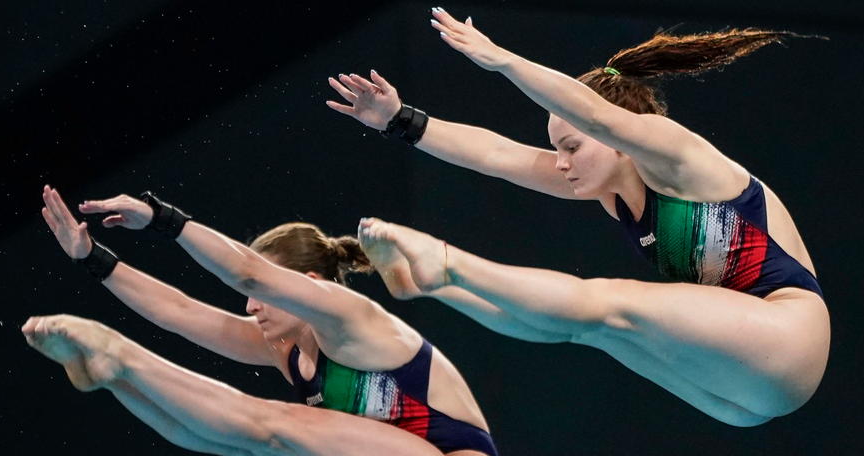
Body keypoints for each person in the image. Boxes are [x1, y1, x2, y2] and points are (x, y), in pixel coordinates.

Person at [327, 8, 829, 427]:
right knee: (590, 329)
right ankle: (434, 285)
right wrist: (399, 120)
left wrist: (503, 60)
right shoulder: (609, 187)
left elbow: (595, 115)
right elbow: (497, 156)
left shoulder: (679, 158)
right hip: (739, 397)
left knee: (611, 302)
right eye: (556, 149)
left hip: (786, 334)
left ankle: (448, 263)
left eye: (570, 147)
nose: (560, 162)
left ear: (618, 140)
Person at [23, 185, 503, 456]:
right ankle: (114, 378)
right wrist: (93, 260)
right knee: (248, 446)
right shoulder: (281, 346)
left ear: (310, 285)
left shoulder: (352, 319)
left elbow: (247, 275)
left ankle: (118, 356)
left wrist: (163, 218)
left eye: (266, 295)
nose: (250, 307)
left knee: (272, 424)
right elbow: (180, 312)